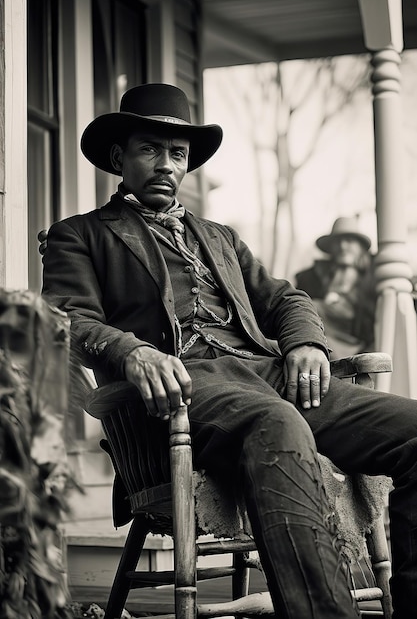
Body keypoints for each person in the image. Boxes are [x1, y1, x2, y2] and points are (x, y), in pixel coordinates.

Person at [41, 83, 417, 619]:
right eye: (150, 149)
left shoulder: (220, 237)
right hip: (182, 388)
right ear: (119, 156)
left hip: (269, 375)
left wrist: (306, 342)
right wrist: (131, 352)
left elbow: (286, 297)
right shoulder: (79, 235)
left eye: (178, 154)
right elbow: (65, 319)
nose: (166, 165)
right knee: (277, 421)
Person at [295, 217, 376, 358]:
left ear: (360, 247)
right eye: (337, 242)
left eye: (349, 241)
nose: (343, 246)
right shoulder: (314, 276)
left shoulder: (373, 277)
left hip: (357, 347)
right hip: (317, 340)